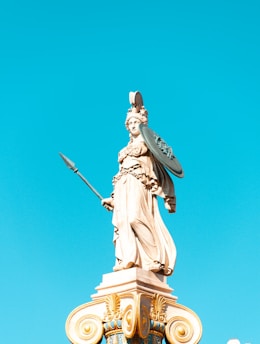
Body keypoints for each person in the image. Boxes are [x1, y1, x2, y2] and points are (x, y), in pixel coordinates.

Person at [102, 92, 176, 276]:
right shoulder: (124, 151)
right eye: (130, 123)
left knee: (136, 217)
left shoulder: (148, 144)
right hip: (123, 185)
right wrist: (113, 198)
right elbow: (119, 175)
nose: (133, 125)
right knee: (123, 221)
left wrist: (139, 110)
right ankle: (128, 258)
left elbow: (161, 161)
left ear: (142, 124)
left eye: (136, 122)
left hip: (139, 182)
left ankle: (154, 259)